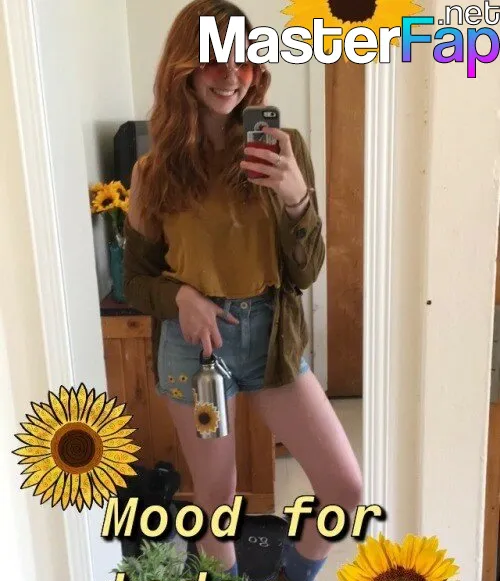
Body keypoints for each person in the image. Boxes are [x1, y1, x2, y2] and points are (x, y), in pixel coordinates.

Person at [124, 1, 362, 579]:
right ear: (184, 67)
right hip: (194, 347)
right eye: (214, 60)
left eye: (246, 61)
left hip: (270, 337)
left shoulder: (285, 149)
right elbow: (134, 280)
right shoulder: (153, 172)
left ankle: (290, 574)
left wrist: (296, 198)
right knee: (217, 502)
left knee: (344, 488)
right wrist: (181, 297)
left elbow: (306, 272)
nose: (231, 76)